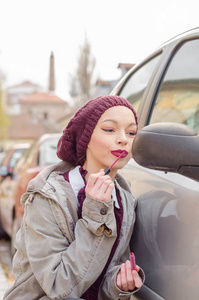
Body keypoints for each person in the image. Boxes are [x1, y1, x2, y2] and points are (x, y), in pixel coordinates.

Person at [3, 95, 145, 300]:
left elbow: (97, 281)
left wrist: (118, 283)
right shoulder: (48, 197)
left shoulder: (125, 200)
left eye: (131, 132)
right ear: (86, 137)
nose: (123, 139)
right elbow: (60, 288)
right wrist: (97, 214)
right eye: (109, 129)